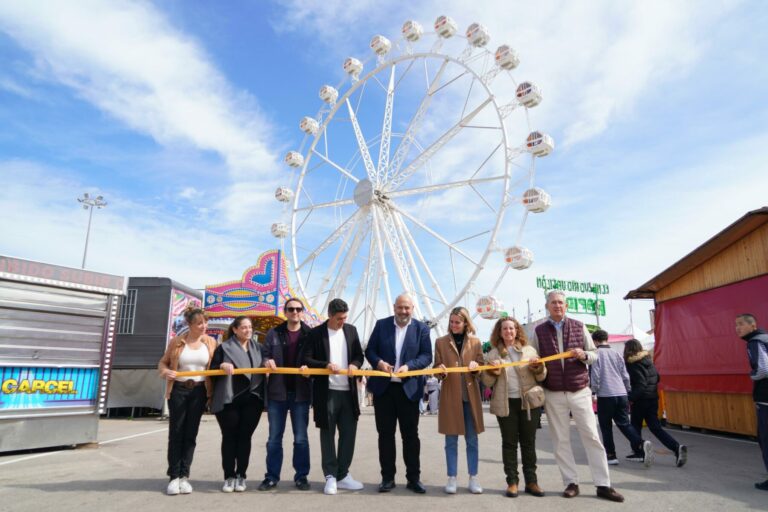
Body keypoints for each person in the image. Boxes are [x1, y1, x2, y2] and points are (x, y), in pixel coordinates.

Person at [529, 291, 624, 502]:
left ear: (566, 305)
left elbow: (594, 354)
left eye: (561, 302)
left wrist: (584, 355)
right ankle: (570, 482)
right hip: (553, 391)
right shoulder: (538, 331)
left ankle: (603, 484)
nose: (557, 306)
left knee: (591, 436)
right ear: (547, 305)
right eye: (553, 302)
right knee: (560, 440)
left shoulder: (579, 326)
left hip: (580, 390)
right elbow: (532, 356)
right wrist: (534, 361)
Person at [365, 293, 433, 494]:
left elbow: (426, 356)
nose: (403, 311)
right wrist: (379, 363)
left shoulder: (422, 329)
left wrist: (409, 366)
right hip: (384, 391)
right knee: (385, 436)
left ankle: (414, 478)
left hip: (408, 390)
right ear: (394, 307)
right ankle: (387, 478)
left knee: (410, 436)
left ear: (413, 308)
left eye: (407, 308)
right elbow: (370, 350)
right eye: (400, 307)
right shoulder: (381, 325)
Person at [302, 298, 365, 495]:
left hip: (348, 393)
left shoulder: (351, 331)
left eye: (345, 318)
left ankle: (343, 474)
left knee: (349, 433)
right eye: (339, 319)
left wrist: (355, 364)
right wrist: (325, 365)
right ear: (330, 315)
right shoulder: (315, 333)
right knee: (327, 434)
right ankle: (330, 475)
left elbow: (359, 355)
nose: (342, 322)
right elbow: (306, 358)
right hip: (326, 392)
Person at [482, 316, 547, 498]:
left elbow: (541, 377)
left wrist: (538, 367)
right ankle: (512, 482)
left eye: (512, 328)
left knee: (529, 443)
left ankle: (532, 481)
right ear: (500, 332)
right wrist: (491, 370)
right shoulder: (493, 354)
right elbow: (486, 382)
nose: (508, 331)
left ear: (517, 330)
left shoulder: (529, 350)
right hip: (506, 403)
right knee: (509, 443)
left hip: (529, 403)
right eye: (505, 329)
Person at [158, 305, 217, 496]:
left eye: (205, 322)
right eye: (199, 323)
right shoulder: (177, 342)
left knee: (191, 434)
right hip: (178, 390)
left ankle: (185, 476)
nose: (203, 326)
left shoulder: (210, 342)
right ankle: (173, 476)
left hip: (199, 391)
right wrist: (166, 371)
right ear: (190, 324)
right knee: (176, 432)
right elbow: (162, 362)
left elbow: (216, 363)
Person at [259, 298, 312, 491]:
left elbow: (315, 358)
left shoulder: (309, 334)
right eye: (291, 309)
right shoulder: (274, 333)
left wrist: (311, 367)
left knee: (301, 438)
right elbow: (264, 354)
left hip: (301, 394)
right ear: (285, 311)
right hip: (277, 392)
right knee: (274, 438)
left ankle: (301, 476)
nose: (295, 312)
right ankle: (272, 476)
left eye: (298, 309)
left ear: (302, 311)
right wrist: (266, 361)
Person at [210, 316, 266, 493]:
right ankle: (229, 476)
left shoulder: (259, 348)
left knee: (245, 437)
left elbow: (267, 362)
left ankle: (241, 474)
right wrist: (221, 365)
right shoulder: (224, 348)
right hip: (230, 399)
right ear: (234, 329)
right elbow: (211, 371)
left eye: (250, 327)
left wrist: (268, 362)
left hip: (253, 399)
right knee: (229, 437)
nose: (248, 330)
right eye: (243, 327)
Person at [434, 306, 485, 494]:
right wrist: (440, 370)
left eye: (457, 322)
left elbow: (481, 367)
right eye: (451, 322)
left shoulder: (476, 343)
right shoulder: (440, 342)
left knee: (472, 440)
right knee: (451, 440)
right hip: (450, 397)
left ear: (465, 323)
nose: (453, 325)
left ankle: (473, 477)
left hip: (470, 398)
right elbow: (436, 367)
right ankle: (452, 477)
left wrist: (476, 367)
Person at [590, 330, 652, 467]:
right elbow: (625, 375)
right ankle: (641, 443)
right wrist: (627, 390)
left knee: (606, 426)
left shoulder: (595, 355)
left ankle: (611, 456)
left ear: (594, 341)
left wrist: (594, 392)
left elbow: (595, 375)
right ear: (607, 339)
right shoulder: (617, 354)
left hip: (606, 395)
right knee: (624, 423)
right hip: (622, 393)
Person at [623, 338, 687, 468]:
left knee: (634, 426)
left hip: (641, 400)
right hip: (653, 398)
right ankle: (676, 448)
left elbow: (640, 385)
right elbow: (657, 377)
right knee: (655, 427)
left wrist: (630, 398)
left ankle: (639, 452)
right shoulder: (648, 361)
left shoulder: (632, 363)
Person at [735, 314, 768, 490]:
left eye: (741, 324)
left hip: (765, 398)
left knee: (766, 439)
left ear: (753, 326)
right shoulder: (765, 338)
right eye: (735, 325)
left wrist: (752, 375)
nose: (737, 328)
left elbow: (763, 369)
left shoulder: (755, 341)